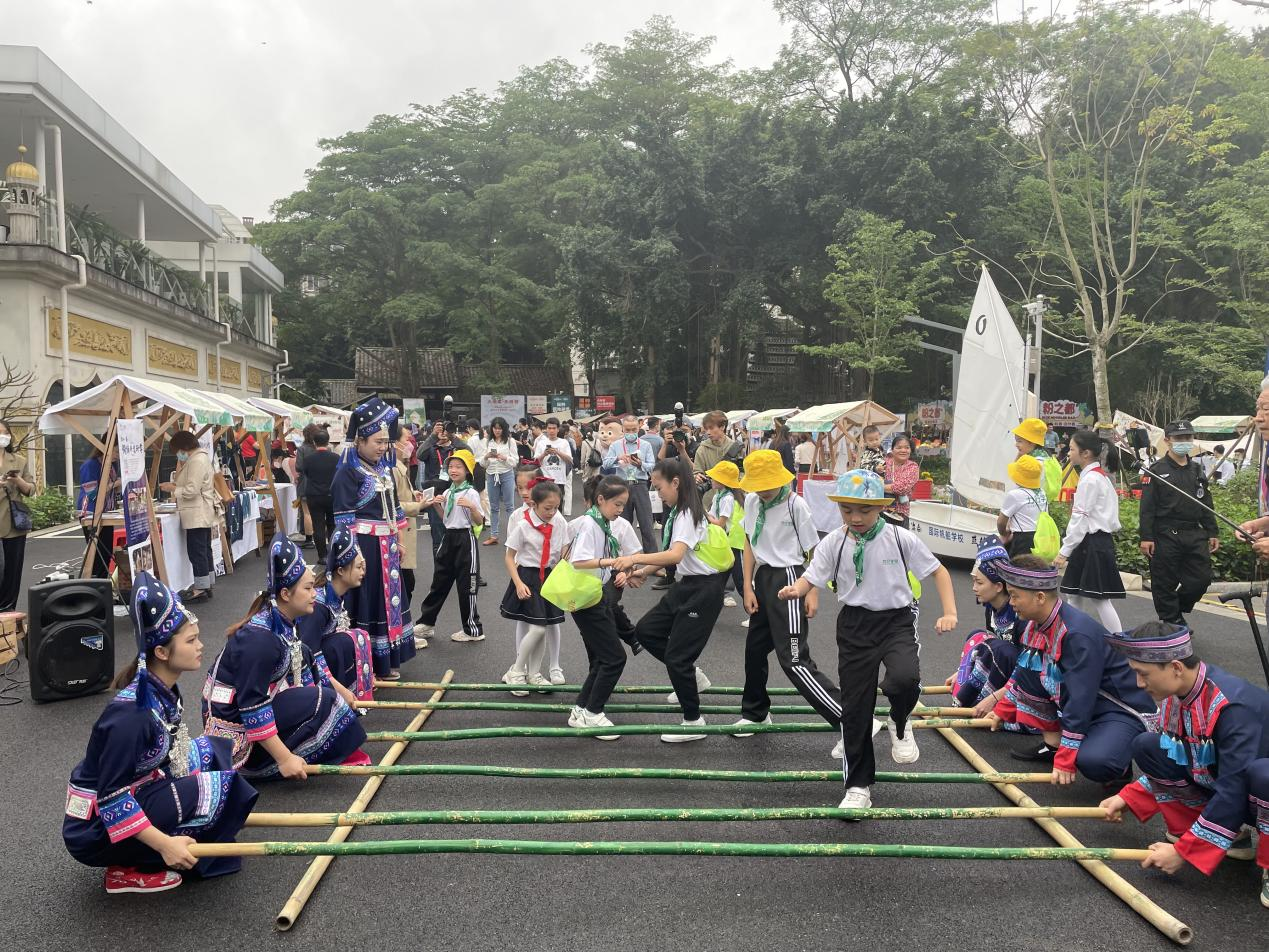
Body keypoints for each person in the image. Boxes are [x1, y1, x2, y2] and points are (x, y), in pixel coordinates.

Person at [63, 572, 258, 894]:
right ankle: (130, 866)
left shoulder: (161, 690)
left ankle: (193, 828)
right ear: (163, 653)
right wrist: (165, 844)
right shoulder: (132, 715)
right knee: (218, 787)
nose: (201, 646)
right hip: (95, 829)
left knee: (212, 749)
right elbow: (111, 798)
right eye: (191, 640)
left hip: (140, 787)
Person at [778, 469, 957, 811]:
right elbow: (812, 576)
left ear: (880, 508)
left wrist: (949, 611)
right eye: (847, 510)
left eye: (864, 510)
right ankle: (858, 785)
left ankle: (899, 721)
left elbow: (939, 571)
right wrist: (796, 590)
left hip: (896, 621)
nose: (855, 518)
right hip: (855, 626)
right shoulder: (835, 541)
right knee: (856, 707)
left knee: (904, 679)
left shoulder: (900, 538)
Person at [1098, 621, 1269, 888]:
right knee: (1148, 746)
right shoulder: (1177, 694)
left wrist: (1182, 853)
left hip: (1256, 787)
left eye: (1144, 674)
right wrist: (1127, 797)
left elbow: (1234, 787)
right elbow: (1185, 754)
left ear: (1176, 668)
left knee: (1263, 775)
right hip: (1238, 786)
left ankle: (1206, 842)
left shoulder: (1232, 707)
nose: (1138, 683)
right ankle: (1223, 836)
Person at [202, 535, 368, 781]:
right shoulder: (258, 639)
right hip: (232, 730)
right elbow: (251, 705)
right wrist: (284, 758)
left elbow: (306, 662)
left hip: (248, 709)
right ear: (285, 594)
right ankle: (265, 760)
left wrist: (341, 693)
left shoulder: (281, 622)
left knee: (323, 694)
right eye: (308, 588)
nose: (314, 593)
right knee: (321, 700)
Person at [985, 555, 1154, 784]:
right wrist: (1002, 710)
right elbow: (1027, 670)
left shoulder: (1076, 635)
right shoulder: (1032, 622)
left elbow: (1080, 700)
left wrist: (1067, 758)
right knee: (1033, 668)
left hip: (1120, 708)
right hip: (1087, 699)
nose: (1010, 601)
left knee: (1094, 761)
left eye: (1015, 595)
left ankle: (1119, 767)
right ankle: (1053, 745)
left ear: (1041, 597)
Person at [735, 450, 847, 755]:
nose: (763, 489)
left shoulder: (794, 504)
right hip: (764, 578)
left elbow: (813, 549)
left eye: (768, 483)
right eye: (758, 484)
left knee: (794, 658)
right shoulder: (753, 501)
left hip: (790, 577)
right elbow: (748, 542)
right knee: (755, 650)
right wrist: (746, 586)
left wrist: (812, 590)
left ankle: (846, 719)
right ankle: (756, 712)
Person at [611, 458, 728, 743]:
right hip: (686, 585)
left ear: (675, 482)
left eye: (659, 485)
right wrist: (642, 571)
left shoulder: (688, 512)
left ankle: (693, 720)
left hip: (703, 589)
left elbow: (675, 555)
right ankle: (692, 677)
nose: (656, 491)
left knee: (678, 657)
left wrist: (634, 558)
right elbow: (677, 555)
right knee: (646, 631)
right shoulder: (679, 510)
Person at [332, 397, 416, 679]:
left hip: (387, 546)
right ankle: (366, 663)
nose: (383, 447)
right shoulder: (348, 471)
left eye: (385, 442)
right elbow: (343, 521)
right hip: (364, 547)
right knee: (368, 601)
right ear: (361, 440)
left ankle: (388, 658)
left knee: (389, 600)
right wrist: (352, 555)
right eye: (377, 442)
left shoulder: (383, 469)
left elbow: (393, 509)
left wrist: (398, 539)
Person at [565, 475, 646, 737]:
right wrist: (609, 563)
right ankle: (593, 713)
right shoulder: (590, 524)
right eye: (617, 504)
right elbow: (578, 561)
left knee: (603, 657)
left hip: (593, 595)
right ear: (600, 500)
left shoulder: (601, 523)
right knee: (614, 658)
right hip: (587, 598)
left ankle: (581, 709)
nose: (621, 510)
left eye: (623, 505)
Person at [1138, 420, 1220, 626]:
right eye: (1179, 438)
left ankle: (1176, 607)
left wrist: (1212, 531)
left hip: (1194, 533)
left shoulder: (1196, 469)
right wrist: (1146, 537)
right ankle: (1172, 620)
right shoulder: (1156, 470)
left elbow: (1205, 501)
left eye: (1188, 438)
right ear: (1168, 440)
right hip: (1165, 533)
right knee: (1164, 582)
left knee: (1200, 580)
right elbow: (1147, 507)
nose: (1184, 442)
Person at [947, 538, 1031, 731]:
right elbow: (986, 647)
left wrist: (994, 699)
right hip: (1005, 667)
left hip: (1024, 678)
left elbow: (1028, 668)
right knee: (978, 636)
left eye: (979, 582)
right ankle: (972, 694)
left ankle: (981, 700)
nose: (973, 588)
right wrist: (961, 671)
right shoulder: (991, 608)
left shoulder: (1021, 615)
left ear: (998, 586)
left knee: (1001, 648)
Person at [499, 479, 568, 692]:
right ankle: (517, 672)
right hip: (528, 577)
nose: (552, 512)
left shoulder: (559, 521)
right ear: (534, 504)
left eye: (556, 507)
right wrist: (518, 583)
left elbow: (564, 550)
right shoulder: (523, 526)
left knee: (544, 627)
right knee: (537, 628)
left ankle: (534, 673)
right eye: (547, 508)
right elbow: (509, 557)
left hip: (549, 577)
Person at [1054, 429, 1125, 632]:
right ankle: (1077, 634)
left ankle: (1119, 640)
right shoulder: (1098, 477)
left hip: (1092, 542)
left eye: (1072, 449)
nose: (1069, 453)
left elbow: (1080, 519)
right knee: (1073, 593)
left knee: (1099, 598)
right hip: (1094, 541)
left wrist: (1064, 551)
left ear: (1085, 453)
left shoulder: (1090, 480)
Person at [415, 449, 486, 644]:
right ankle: (427, 623)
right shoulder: (448, 492)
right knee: (439, 581)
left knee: (467, 586)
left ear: (467, 470)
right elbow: (445, 519)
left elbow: (479, 521)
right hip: (449, 537)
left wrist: (471, 507)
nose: (453, 470)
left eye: (458, 467)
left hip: (465, 538)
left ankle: (473, 629)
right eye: (451, 467)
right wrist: (437, 505)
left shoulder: (471, 492)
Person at [298, 526, 376, 699]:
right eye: (358, 567)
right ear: (340, 571)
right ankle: (332, 696)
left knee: (355, 636)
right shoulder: (317, 606)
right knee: (341, 642)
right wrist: (342, 692)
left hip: (314, 654)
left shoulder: (336, 595)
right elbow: (309, 656)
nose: (363, 572)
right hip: (300, 668)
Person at [160, 431, 219, 604]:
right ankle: (206, 584)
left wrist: (172, 488)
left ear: (184, 448)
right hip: (201, 510)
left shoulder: (196, 461)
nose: (178, 455)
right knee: (203, 548)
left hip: (197, 511)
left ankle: (200, 588)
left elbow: (192, 490)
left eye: (178, 451)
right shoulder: (200, 458)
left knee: (197, 550)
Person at [602, 414, 659, 556]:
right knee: (621, 523)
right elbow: (606, 464)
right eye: (628, 430)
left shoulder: (645, 445)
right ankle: (621, 560)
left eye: (633, 429)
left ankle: (652, 561)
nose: (631, 433)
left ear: (639, 428)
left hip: (640, 484)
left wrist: (641, 464)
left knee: (646, 524)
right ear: (622, 429)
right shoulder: (616, 445)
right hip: (621, 485)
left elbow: (652, 466)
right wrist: (617, 458)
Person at [416, 421, 470, 555]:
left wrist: (452, 437)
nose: (444, 433)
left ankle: (461, 567)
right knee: (438, 535)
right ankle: (440, 570)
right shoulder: (430, 449)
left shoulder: (456, 450)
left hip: (456, 494)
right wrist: (434, 436)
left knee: (458, 532)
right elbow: (419, 455)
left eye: (447, 429)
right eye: (441, 430)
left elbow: (470, 452)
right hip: (436, 497)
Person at [0, 420, 34, 612]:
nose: (3, 436)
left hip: (14, 525)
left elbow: (30, 490)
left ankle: (8, 612)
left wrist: (17, 480)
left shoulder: (19, 461)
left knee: (13, 571)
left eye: (6, 432)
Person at [391, 430, 426, 613]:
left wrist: (414, 496)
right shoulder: (394, 469)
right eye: (406, 439)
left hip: (404, 532)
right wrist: (417, 505)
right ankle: (402, 626)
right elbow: (392, 505)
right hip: (399, 534)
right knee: (404, 584)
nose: (410, 443)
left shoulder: (399, 466)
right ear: (395, 443)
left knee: (405, 583)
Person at [299, 428, 339, 563]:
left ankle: (322, 555)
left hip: (314, 495)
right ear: (328, 442)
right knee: (333, 524)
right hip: (332, 495)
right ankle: (334, 553)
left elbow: (306, 474)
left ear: (315, 442)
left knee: (318, 525)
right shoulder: (335, 458)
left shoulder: (309, 459)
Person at [77, 447, 118, 579]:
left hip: (106, 512)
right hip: (90, 512)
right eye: (116, 451)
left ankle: (102, 583)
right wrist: (115, 484)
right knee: (97, 553)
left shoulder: (111, 465)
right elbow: (92, 492)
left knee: (106, 553)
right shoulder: (90, 465)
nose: (117, 455)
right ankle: (95, 583)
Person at [998, 454, 1047, 559]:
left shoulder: (1015, 494)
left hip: (1022, 539)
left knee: (1017, 570)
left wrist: (1004, 533)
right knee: (1033, 569)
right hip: (1040, 537)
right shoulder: (1042, 492)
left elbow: (1001, 522)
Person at [692, 410, 742, 507]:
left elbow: (741, 475)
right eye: (706, 429)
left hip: (731, 501)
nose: (708, 432)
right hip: (709, 502)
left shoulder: (735, 447)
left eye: (711, 428)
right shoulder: (702, 449)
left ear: (722, 427)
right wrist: (697, 476)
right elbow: (696, 472)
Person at [481, 417, 518, 546]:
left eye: (500, 428)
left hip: (506, 474)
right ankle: (494, 535)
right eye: (495, 428)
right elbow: (482, 463)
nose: (497, 431)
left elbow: (515, 461)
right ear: (492, 429)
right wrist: (486, 456)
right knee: (494, 506)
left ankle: (512, 537)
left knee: (509, 506)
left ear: (504, 429)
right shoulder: (487, 442)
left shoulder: (510, 441)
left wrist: (504, 458)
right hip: (491, 474)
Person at [881, 433, 920, 529]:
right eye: (899, 447)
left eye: (907, 448)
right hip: (880, 511)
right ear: (892, 450)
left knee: (899, 542)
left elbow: (902, 488)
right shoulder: (884, 463)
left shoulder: (912, 466)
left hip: (900, 514)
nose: (903, 450)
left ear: (910, 450)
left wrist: (880, 487)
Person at [534, 417, 574, 502]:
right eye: (549, 428)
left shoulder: (564, 442)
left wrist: (557, 452)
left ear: (558, 429)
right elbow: (535, 462)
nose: (551, 431)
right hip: (544, 480)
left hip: (559, 480)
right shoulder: (541, 443)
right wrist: (544, 454)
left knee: (558, 507)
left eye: (554, 428)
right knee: (544, 505)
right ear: (546, 429)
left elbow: (569, 460)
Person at [294, 424, 320, 548]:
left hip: (305, 483)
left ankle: (309, 539)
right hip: (320, 483)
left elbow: (298, 467)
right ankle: (319, 536)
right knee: (319, 512)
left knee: (307, 512)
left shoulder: (302, 449)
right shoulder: (320, 448)